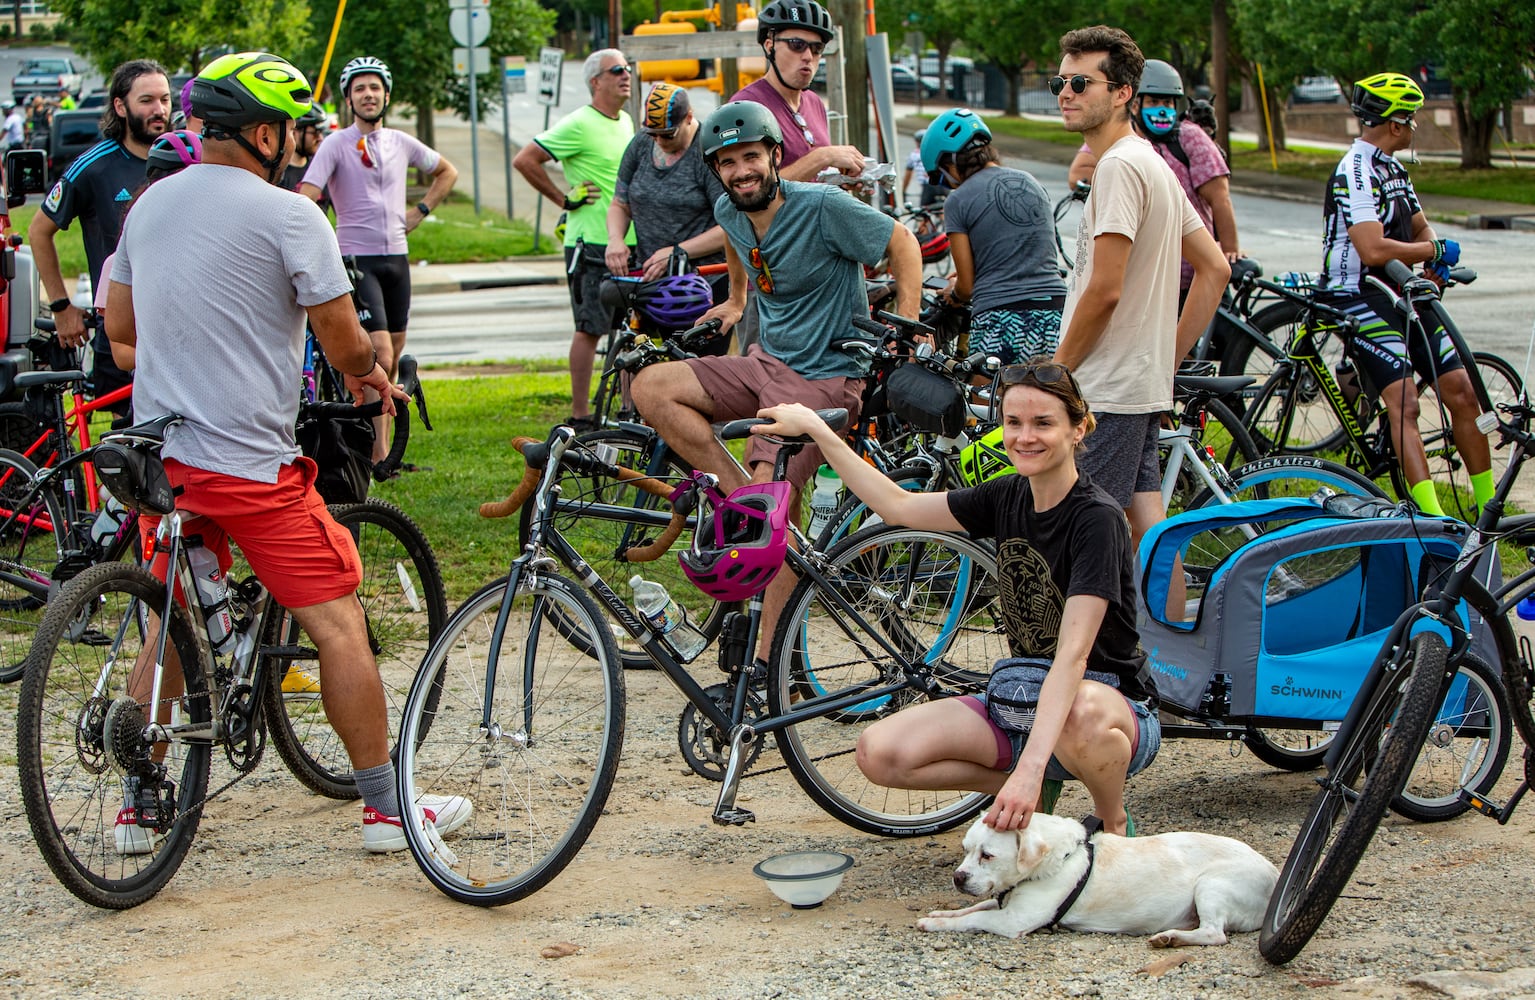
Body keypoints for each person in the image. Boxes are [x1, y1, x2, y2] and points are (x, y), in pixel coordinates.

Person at [104, 51, 470, 855]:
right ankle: (386, 809)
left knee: (169, 630)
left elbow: (121, 333)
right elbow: (343, 344)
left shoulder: (150, 207)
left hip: (160, 464)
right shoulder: (289, 216)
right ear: (264, 133)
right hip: (247, 465)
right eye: (293, 130)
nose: (300, 144)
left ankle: (137, 805)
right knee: (339, 621)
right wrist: (375, 376)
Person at [753, 359, 1160, 837]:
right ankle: (1031, 786)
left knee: (1083, 714)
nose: (1024, 437)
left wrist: (1030, 769)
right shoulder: (1007, 495)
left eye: (1044, 423)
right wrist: (820, 431)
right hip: (1027, 698)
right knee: (880, 752)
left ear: (1079, 428)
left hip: (1111, 706)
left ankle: (1111, 819)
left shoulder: (1097, 518)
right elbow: (898, 506)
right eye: (1013, 423)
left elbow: (1073, 657)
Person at [630, 100, 921, 659]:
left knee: (770, 500)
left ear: (774, 155)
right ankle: (748, 503)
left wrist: (906, 326)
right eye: (729, 162)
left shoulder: (822, 207)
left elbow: (900, 243)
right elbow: (739, 242)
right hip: (767, 364)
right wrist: (736, 301)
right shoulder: (730, 206)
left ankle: (769, 664)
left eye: (751, 157)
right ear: (715, 169)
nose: (742, 171)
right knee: (650, 386)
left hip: (826, 378)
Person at [1051, 26, 1229, 561]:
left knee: (1081, 538)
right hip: (1134, 384)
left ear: (1122, 91)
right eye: (1061, 81)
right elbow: (1215, 267)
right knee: (1146, 529)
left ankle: (1093, 647)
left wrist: (1056, 376)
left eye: (1082, 83)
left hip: (1104, 388)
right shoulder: (1148, 158)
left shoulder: (1121, 167)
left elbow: (1105, 290)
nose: (1065, 93)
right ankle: (1164, 646)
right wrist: (1162, 362)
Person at [1318, 72, 1489, 517]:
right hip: (1356, 295)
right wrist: (1431, 250)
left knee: (1462, 390)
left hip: (1400, 291)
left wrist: (1432, 258)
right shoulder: (1355, 170)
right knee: (1406, 402)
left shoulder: (1393, 168)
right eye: (1411, 120)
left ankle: (1491, 510)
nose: (1414, 127)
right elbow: (1371, 248)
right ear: (1395, 125)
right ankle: (1431, 519)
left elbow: (1418, 223)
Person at [301, 55, 457, 469]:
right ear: (349, 98)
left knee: (393, 354)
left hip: (397, 257)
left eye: (374, 88)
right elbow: (307, 194)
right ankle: (375, 452)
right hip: (356, 256)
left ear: (386, 95)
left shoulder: (401, 142)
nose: (368, 95)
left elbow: (447, 172)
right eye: (359, 89)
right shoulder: (335, 144)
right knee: (380, 353)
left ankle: (378, 447)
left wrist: (419, 212)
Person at [30, 59, 171, 413]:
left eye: (165, 100)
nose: (159, 110)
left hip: (177, 326)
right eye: (147, 101)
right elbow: (38, 232)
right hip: (122, 336)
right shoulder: (93, 166)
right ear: (120, 107)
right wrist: (62, 307)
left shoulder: (184, 159)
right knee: (125, 450)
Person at [513, 48, 636, 429]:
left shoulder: (627, 122)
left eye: (628, 69)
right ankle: (581, 413)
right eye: (616, 70)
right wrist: (564, 198)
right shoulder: (579, 123)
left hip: (628, 242)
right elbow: (525, 159)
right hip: (591, 244)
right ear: (595, 82)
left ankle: (629, 408)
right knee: (590, 327)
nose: (625, 75)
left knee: (630, 330)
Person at [1065, 58, 1243, 293]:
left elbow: (1220, 197)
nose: (1161, 108)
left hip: (1191, 278)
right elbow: (1079, 173)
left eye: (1167, 102)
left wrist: (1230, 249)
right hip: (1142, 279)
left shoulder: (1192, 138)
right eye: (1153, 101)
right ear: (1136, 104)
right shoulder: (1119, 136)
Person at [921, 108, 1067, 363]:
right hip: (1056, 312)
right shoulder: (1031, 182)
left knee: (986, 399)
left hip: (1003, 316)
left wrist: (952, 294)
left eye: (942, 176)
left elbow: (966, 288)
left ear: (950, 161)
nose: (948, 184)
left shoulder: (958, 199)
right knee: (1046, 397)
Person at [731, 0, 864, 181]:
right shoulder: (746, 108)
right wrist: (822, 157)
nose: (808, 56)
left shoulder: (814, 102)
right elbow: (752, 187)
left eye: (817, 48)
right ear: (770, 47)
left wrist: (842, 180)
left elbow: (813, 179)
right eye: (796, 45)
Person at [281, 101, 329, 197]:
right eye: (315, 132)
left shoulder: (322, 169)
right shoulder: (279, 175)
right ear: (295, 133)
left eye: (321, 132)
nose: (320, 138)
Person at [899, 128, 943, 208]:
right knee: (942, 210)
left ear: (916, 142)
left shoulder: (913, 155)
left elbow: (907, 176)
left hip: (928, 186)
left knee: (923, 213)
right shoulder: (937, 152)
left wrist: (903, 191)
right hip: (943, 184)